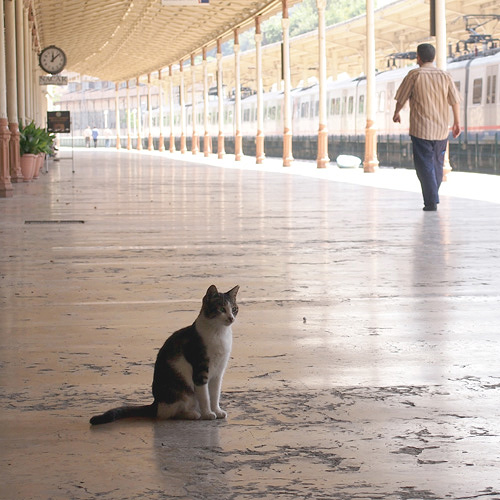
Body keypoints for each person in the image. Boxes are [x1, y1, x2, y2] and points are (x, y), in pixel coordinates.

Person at [393, 43, 461, 211]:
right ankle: (432, 197)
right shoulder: (445, 76)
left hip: (420, 129)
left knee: (424, 165)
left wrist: (396, 113)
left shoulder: (414, 75)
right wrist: (457, 122)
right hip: (440, 130)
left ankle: (431, 200)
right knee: (437, 164)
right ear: (434, 57)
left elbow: (402, 97)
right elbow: (454, 100)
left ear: (419, 57)